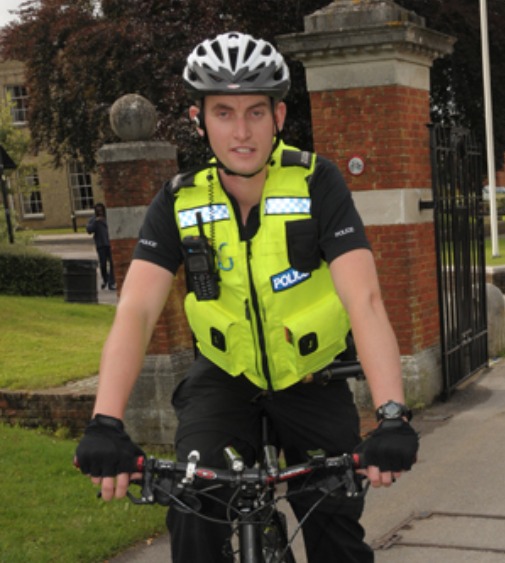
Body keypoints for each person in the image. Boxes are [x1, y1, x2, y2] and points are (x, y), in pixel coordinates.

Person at [74, 32, 418, 562]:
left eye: (256, 112)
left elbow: (365, 301)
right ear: (199, 119)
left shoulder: (316, 183)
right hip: (223, 380)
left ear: (278, 116)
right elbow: (137, 312)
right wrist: (106, 422)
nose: (241, 132)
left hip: (313, 378)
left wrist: (391, 413)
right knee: (192, 510)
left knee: (335, 537)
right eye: (224, 113)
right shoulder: (178, 202)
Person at [86, 202, 115, 290]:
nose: (100, 212)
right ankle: (105, 279)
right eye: (98, 211)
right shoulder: (93, 220)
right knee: (103, 264)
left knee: (112, 263)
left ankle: (111, 282)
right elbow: (89, 230)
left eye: (101, 210)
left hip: (109, 244)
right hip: (101, 245)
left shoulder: (108, 218)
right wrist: (96, 221)